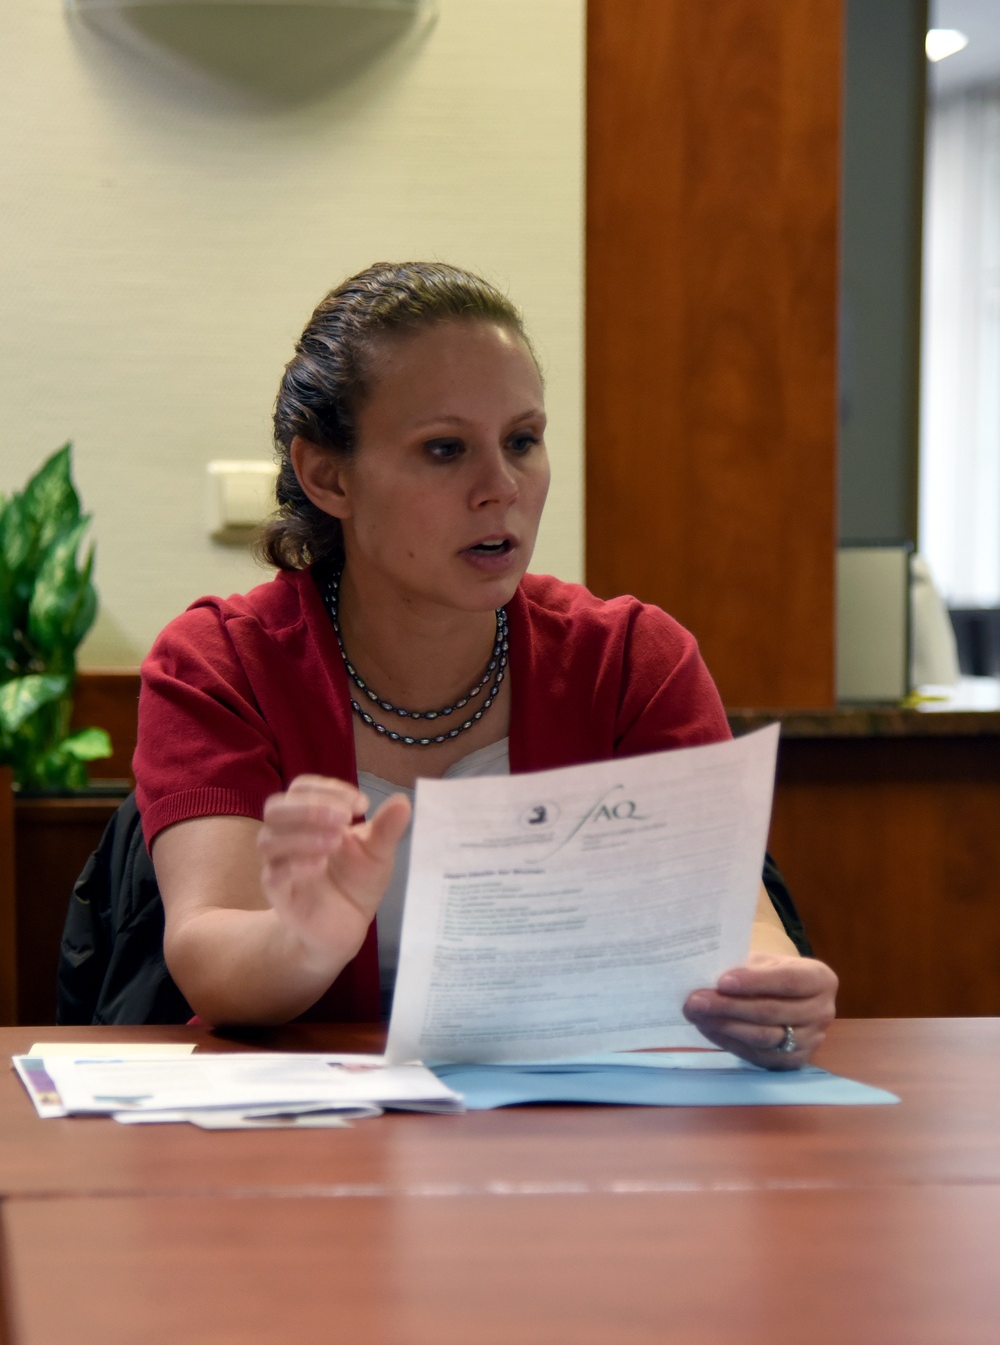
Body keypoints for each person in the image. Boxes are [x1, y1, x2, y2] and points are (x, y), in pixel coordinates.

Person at [135, 261, 837, 1065]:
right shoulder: (220, 663)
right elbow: (209, 962)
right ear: (327, 476)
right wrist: (303, 938)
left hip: (569, 1138)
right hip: (305, 1143)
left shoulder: (634, 659)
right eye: (444, 449)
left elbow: (738, 926)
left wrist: (774, 999)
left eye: (523, 441)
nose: (500, 487)